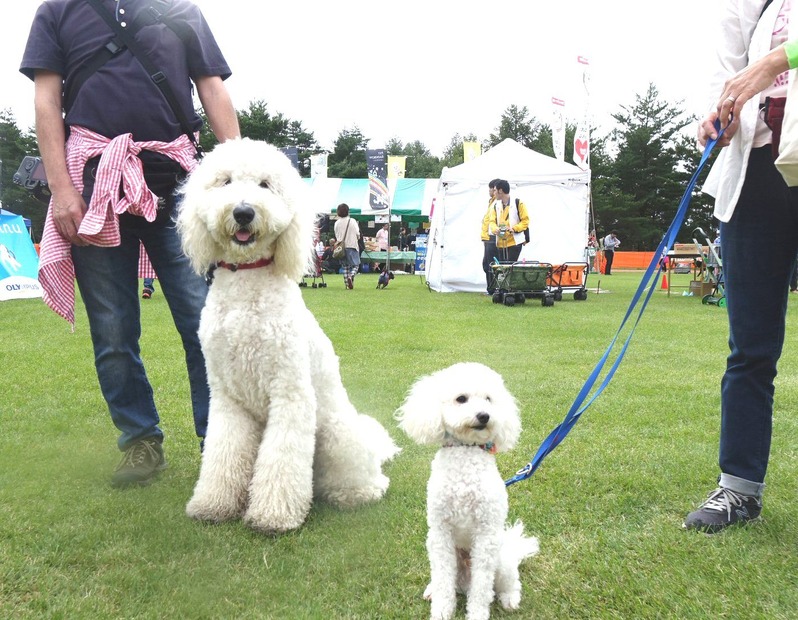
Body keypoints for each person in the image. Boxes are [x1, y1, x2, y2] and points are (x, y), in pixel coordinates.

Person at [20, 0, 240, 488]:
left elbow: (212, 89)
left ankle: (221, 442)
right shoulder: (57, 10)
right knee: (114, 330)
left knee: (205, 323)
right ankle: (140, 440)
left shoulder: (181, 8)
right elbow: (46, 101)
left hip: (177, 184)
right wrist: (60, 188)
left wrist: (237, 178)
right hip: (93, 179)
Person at [684, 0, 798, 533]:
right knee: (750, 346)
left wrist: (777, 61)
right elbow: (726, 71)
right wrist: (716, 114)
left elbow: (760, 67)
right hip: (756, 172)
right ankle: (740, 490)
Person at [488, 179, 529, 263]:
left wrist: (514, 228)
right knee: (502, 269)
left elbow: (525, 221)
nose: (494, 192)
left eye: (495, 190)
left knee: (510, 268)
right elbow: (492, 221)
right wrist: (495, 229)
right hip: (501, 242)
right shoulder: (496, 205)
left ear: (500, 191)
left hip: (514, 242)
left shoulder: (518, 203)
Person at [334, 203, 362, 289]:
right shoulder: (352, 221)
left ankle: (347, 285)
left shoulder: (337, 223)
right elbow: (358, 233)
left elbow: (336, 235)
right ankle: (351, 275)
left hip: (341, 247)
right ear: (348, 211)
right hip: (352, 245)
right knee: (355, 265)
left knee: (345, 266)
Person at [481, 178, 501, 294]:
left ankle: (492, 289)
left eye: (492, 189)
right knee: (486, 264)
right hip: (488, 237)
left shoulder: (497, 203)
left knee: (490, 265)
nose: (490, 191)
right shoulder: (492, 202)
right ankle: (492, 288)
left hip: (492, 237)